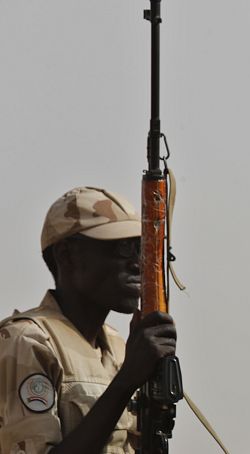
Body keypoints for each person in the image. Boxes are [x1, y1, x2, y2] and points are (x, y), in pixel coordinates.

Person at [0, 187, 178, 453]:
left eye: (140, 249)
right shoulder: (28, 341)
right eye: (121, 248)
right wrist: (128, 379)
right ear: (66, 255)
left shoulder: (119, 348)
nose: (138, 263)